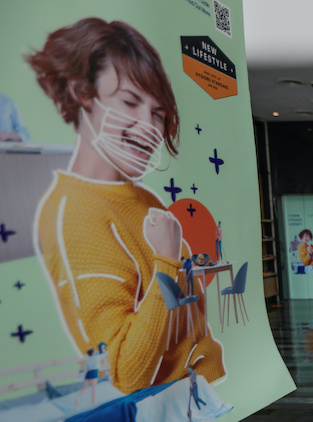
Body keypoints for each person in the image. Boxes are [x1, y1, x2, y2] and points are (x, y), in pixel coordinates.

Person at [27, 17, 225, 395]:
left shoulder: (143, 198)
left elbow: (188, 324)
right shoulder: (75, 213)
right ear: (83, 93)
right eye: (130, 102)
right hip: (168, 411)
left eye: (157, 113)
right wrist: (167, 261)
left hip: (205, 395)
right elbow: (126, 374)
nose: (148, 127)